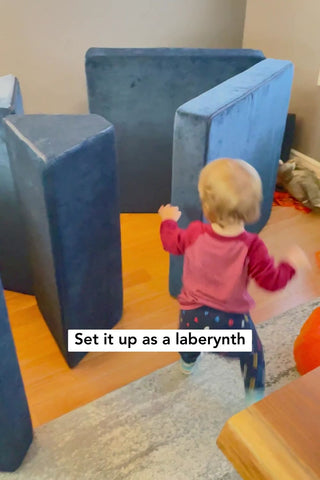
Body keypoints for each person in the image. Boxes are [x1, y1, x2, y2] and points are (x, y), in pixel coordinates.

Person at [158, 158, 309, 405]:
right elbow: (271, 281)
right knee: (253, 355)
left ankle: (187, 362)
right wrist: (290, 265)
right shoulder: (252, 246)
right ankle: (253, 396)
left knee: (189, 338)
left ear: (207, 208)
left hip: (191, 311)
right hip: (230, 318)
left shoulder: (195, 232)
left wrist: (167, 220)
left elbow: (170, 242)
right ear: (253, 209)